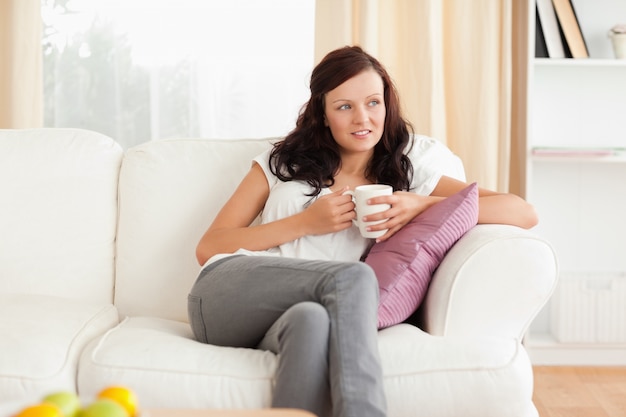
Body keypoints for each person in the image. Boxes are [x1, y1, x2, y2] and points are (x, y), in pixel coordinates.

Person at [188, 45, 537, 417]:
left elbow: (521, 211)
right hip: (229, 296)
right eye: (344, 107)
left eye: (373, 102)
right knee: (354, 278)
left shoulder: (409, 170)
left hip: (294, 316)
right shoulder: (282, 163)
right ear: (322, 114)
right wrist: (304, 223)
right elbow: (210, 247)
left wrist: (420, 204)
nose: (363, 119)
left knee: (312, 319)